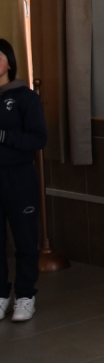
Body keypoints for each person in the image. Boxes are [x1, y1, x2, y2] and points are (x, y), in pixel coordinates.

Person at [0, 39, 46, 322]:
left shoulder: (25, 97)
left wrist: (3, 136)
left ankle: (26, 295)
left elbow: (38, 138)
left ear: (9, 62)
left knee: (25, 239)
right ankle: (1, 294)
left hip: (18, 176)